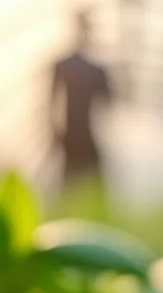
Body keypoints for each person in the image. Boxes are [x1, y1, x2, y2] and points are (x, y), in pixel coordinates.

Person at [51, 12, 113, 192]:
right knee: (74, 181)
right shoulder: (73, 67)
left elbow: (108, 99)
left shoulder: (94, 70)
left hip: (79, 133)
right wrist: (54, 130)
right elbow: (109, 100)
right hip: (72, 133)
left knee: (87, 181)